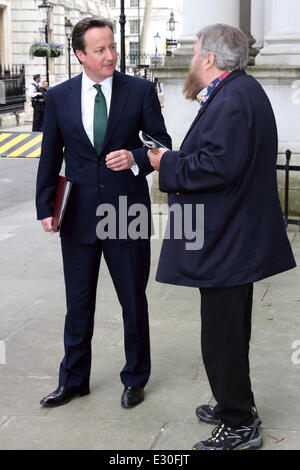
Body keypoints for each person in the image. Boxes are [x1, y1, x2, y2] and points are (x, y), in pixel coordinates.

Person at [148, 23, 296, 450]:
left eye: (196, 54)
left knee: (222, 337)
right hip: (233, 237)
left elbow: (216, 167)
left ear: (210, 59)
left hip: (227, 241)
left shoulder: (232, 100)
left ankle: (237, 424)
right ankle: (236, 404)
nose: (192, 60)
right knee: (230, 331)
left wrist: (165, 163)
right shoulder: (240, 91)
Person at [36, 17, 171, 409]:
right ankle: (74, 380)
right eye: (100, 49)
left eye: (112, 47)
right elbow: (50, 157)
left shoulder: (141, 91)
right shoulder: (59, 97)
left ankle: (135, 377)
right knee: (78, 304)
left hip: (127, 213)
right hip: (77, 216)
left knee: (133, 300)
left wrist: (136, 157)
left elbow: (161, 143)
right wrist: (46, 206)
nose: (110, 55)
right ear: (80, 54)